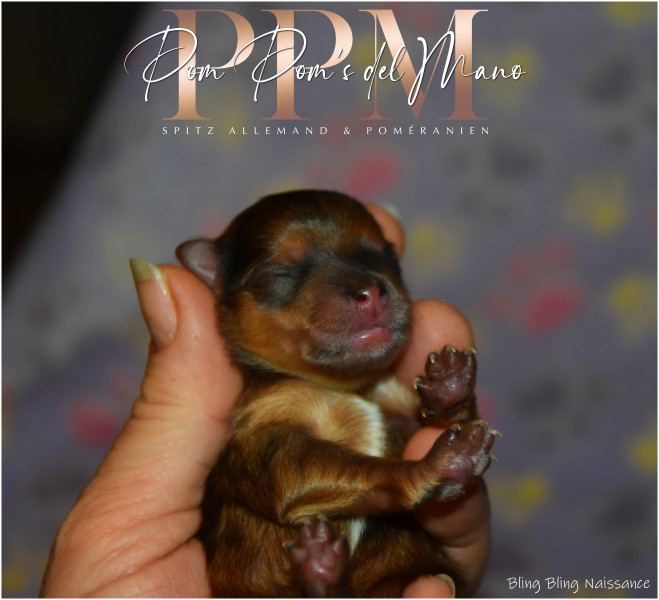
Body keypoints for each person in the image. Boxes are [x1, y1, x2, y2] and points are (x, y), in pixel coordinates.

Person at [40, 206, 491, 598]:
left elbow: (447, 454)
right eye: (281, 275)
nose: (367, 287)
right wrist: (412, 478)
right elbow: (289, 482)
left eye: (380, 257)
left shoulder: (401, 386)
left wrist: (451, 412)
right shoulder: (254, 412)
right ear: (219, 290)